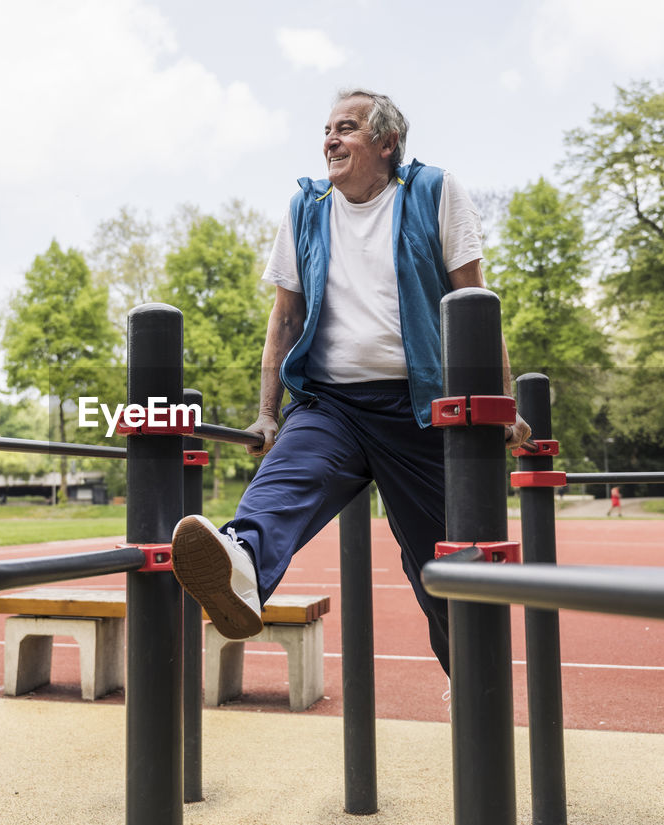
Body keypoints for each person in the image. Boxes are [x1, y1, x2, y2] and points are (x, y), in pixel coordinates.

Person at [171, 89, 531, 675]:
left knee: (445, 575)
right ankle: (240, 569)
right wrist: (267, 412)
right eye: (327, 129)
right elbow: (285, 316)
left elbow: (474, 300)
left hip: (420, 410)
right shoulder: (306, 208)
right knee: (281, 484)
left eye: (348, 128)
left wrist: (501, 403)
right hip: (332, 403)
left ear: (388, 143)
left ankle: (473, 687)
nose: (330, 140)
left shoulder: (435, 192)